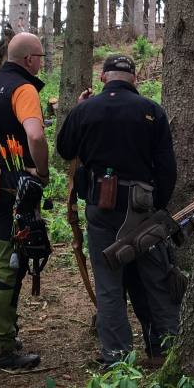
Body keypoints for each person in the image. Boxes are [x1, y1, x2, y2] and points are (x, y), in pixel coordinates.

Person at [56, 54, 179, 368]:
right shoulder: (151, 111)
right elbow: (167, 168)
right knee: (156, 278)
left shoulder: (85, 110)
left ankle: (117, 358)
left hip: (100, 205)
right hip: (142, 207)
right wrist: (158, 207)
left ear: (103, 78)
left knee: (109, 284)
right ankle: (166, 349)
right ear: (134, 79)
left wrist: (79, 109)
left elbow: (64, 149)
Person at [0, 32, 50, 371]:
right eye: (41, 57)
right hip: (13, 188)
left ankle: (4, 333)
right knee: (11, 262)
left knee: (7, 256)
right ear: (29, 59)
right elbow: (35, 134)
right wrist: (42, 171)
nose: (41, 62)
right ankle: (1, 347)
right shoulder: (24, 89)